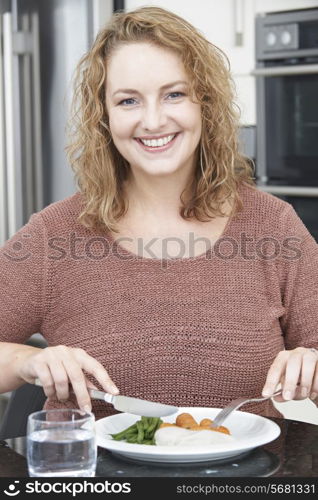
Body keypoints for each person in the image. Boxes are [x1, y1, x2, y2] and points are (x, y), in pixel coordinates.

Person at [0, 6, 317, 421]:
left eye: (174, 94)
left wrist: (310, 364)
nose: (153, 120)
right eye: (128, 100)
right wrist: (27, 360)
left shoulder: (273, 226)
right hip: (94, 482)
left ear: (204, 103)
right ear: (104, 117)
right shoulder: (53, 235)